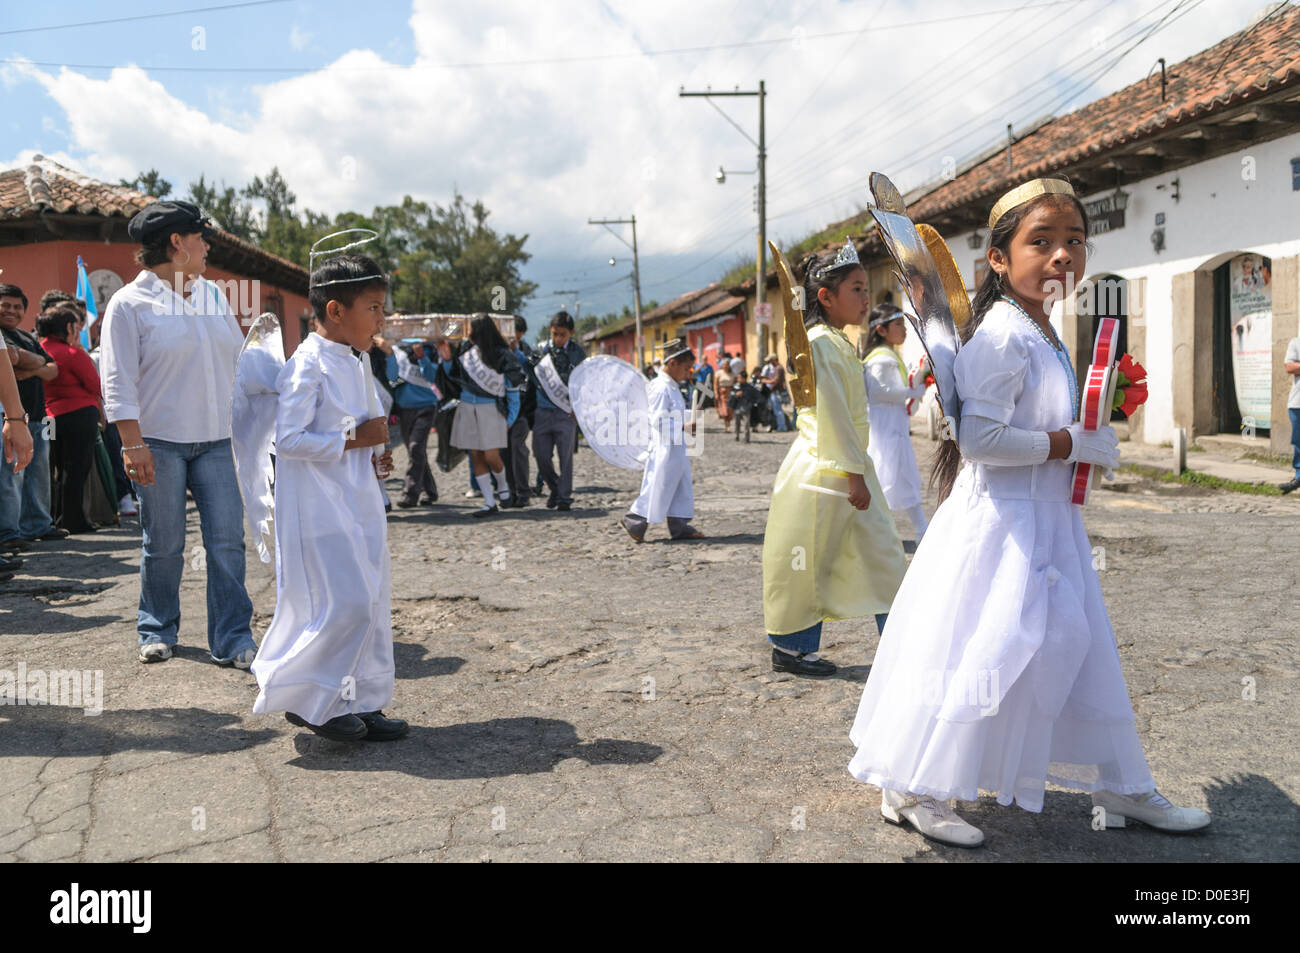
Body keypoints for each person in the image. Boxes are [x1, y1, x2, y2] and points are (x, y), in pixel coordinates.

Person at [847, 178, 1210, 848]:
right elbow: (979, 442)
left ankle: (1120, 784)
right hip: (998, 531)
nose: (1062, 256)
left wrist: (1085, 435)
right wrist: (1070, 442)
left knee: (1080, 645)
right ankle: (912, 784)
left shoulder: (1043, 331)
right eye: (1040, 241)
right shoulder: (1004, 336)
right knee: (976, 651)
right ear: (998, 259)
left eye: (1073, 240)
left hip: (1049, 524)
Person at [251, 253, 405, 743]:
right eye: (375, 308)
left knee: (374, 600)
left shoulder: (358, 362)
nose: (382, 320)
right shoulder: (306, 365)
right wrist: (356, 440)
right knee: (348, 602)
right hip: (319, 507)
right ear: (336, 311)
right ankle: (306, 696)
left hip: (360, 497)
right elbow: (289, 439)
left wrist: (376, 455)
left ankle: (363, 698)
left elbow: (365, 426)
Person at [100, 200, 258, 668]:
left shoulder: (212, 294)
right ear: (177, 243)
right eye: (201, 237)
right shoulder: (129, 304)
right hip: (158, 443)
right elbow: (118, 380)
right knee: (163, 542)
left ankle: (232, 638)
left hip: (216, 441)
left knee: (227, 541)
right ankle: (156, 627)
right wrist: (132, 443)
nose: (207, 246)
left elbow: (239, 362)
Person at [761, 243, 907, 678]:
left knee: (884, 552)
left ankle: (903, 642)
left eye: (866, 289)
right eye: (857, 289)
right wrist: (853, 475)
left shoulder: (839, 342)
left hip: (848, 466)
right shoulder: (822, 343)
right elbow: (832, 414)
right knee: (809, 559)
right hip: (825, 469)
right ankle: (791, 649)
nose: (867, 299)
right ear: (825, 297)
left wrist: (857, 470)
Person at [0, 284, 63, 555]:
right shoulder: (3, 336)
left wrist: (30, 363)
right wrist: (34, 362)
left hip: (40, 419)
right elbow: (11, 358)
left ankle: (38, 525)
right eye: (5, 305)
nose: (11, 311)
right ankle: (9, 533)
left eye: (17, 306)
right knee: (11, 476)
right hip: (11, 420)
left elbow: (53, 370)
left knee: (39, 474)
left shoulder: (27, 336)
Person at [621, 338, 703, 543]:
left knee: (680, 486)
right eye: (686, 368)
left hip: (676, 447)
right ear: (672, 363)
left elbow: (672, 413)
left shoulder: (673, 386)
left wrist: (688, 418)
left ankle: (680, 525)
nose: (689, 373)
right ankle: (635, 520)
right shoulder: (660, 387)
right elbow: (658, 420)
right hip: (664, 448)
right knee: (658, 486)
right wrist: (683, 426)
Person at [442, 314, 524, 518]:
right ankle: (489, 502)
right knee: (476, 455)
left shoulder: (503, 355)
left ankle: (503, 486)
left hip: (491, 409)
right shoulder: (464, 351)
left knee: (491, 455)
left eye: (471, 329)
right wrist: (445, 360)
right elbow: (452, 377)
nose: (468, 333)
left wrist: (511, 417)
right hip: (468, 407)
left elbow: (513, 388)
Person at [862, 304, 930, 540]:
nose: (904, 329)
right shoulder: (880, 359)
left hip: (894, 425)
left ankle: (919, 527)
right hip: (885, 427)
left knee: (903, 474)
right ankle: (882, 530)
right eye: (898, 325)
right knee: (888, 474)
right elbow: (880, 391)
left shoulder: (890, 356)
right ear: (881, 330)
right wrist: (914, 390)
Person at [38, 307, 105, 534]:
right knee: (77, 468)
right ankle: (74, 519)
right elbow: (96, 385)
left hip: (49, 417)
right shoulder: (72, 354)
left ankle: (55, 517)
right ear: (68, 327)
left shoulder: (39, 350)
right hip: (79, 415)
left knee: (54, 468)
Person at [530, 311, 586, 511]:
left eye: (562, 334)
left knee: (566, 458)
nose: (558, 339)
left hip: (566, 413)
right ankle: (555, 487)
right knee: (541, 455)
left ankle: (564, 497)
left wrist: (579, 408)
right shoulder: (540, 351)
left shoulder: (578, 353)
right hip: (542, 411)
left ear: (571, 333)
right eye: (554, 334)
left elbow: (583, 383)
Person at [384, 338, 441, 508]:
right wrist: (388, 354)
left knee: (416, 447)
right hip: (404, 408)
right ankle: (430, 491)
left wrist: (421, 356)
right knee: (415, 452)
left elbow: (432, 377)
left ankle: (410, 494)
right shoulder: (396, 348)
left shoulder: (430, 348)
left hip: (426, 406)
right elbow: (391, 376)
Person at [504, 316, 535, 507]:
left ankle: (524, 492)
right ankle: (509, 491)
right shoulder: (497, 351)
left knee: (518, 447)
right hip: (503, 409)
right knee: (504, 452)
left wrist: (516, 353)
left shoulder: (526, 351)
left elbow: (532, 370)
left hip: (523, 409)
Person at [1279, 334, 1300, 494]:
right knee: (1298, 441)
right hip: (1297, 403)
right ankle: (1299, 477)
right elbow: (1289, 367)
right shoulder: (1296, 342)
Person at [760, 354, 790, 431]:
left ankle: (782, 427)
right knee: (777, 410)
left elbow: (775, 381)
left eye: (770, 361)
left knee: (778, 411)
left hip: (777, 392)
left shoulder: (778, 368)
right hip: (775, 392)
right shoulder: (777, 368)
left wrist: (765, 381)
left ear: (774, 360)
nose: (770, 363)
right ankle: (781, 426)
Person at [715, 355, 736, 432]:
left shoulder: (732, 373)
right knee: (725, 410)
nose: (725, 366)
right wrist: (716, 393)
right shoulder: (718, 373)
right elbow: (715, 384)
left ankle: (728, 424)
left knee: (730, 409)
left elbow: (735, 382)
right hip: (722, 393)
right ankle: (727, 425)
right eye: (724, 365)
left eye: (726, 364)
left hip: (730, 392)